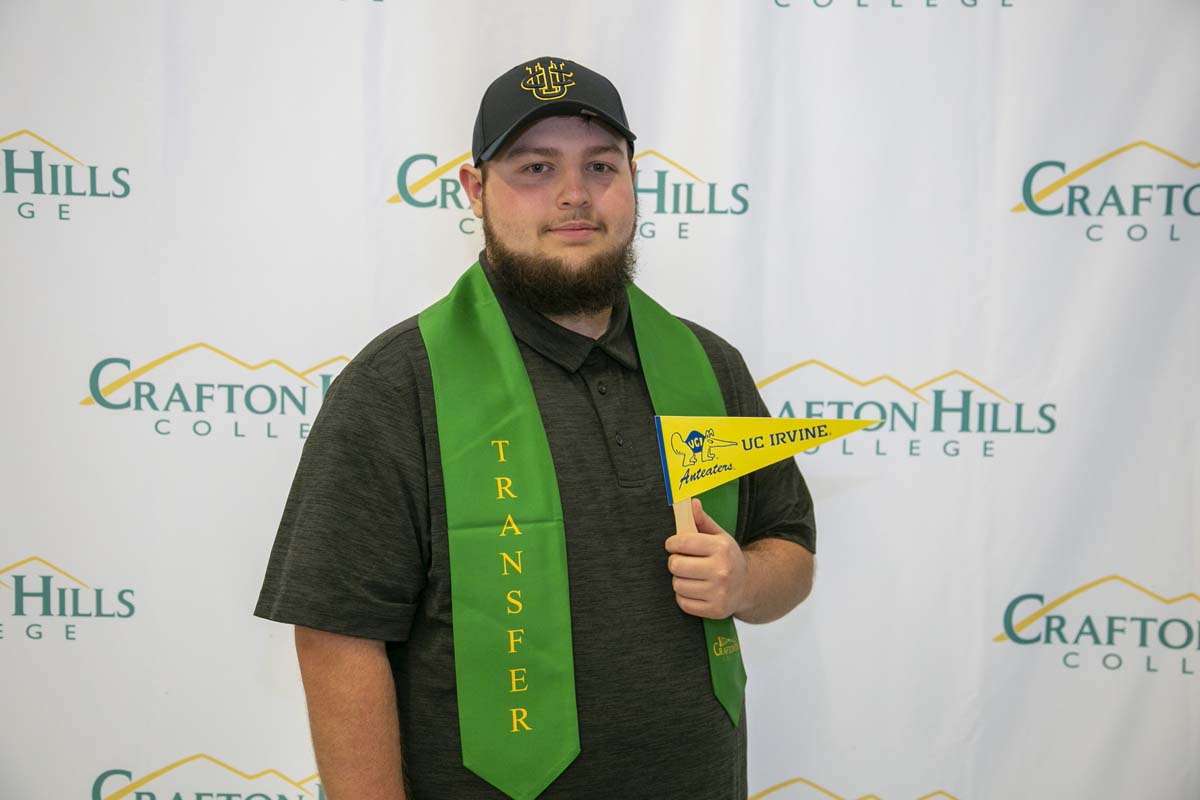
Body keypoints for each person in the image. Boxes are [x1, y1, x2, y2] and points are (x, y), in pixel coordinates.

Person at [255, 56, 816, 800]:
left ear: (634, 181)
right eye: (535, 168)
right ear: (475, 189)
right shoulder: (399, 385)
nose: (575, 195)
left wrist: (745, 581)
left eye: (601, 166)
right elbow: (335, 637)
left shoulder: (709, 369)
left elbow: (790, 547)